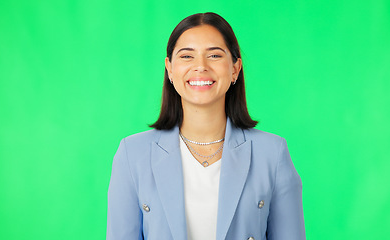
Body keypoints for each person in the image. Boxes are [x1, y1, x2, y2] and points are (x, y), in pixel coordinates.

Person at [107, 12, 305, 240]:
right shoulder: (132, 154)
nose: (200, 67)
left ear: (235, 69)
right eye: (187, 56)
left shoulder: (272, 153)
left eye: (214, 55)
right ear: (170, 69)